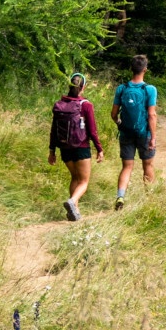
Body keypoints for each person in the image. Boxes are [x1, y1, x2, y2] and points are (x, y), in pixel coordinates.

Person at [50, 73, 102, 220]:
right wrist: (99, 149)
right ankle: (72, 201)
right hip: (81, 147)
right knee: (84, 181)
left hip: (64, 148)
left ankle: (74, 212)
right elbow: (92, 130)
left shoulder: (60, 104)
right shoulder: (85, 105)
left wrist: (52, 150)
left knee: (74, 177)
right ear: (83, 87)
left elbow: (53, 129)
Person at [112, 55, 159, 209]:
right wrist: (153, 137)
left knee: (127, 167)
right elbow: (151, 115)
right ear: (145, 69)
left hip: (126, 133)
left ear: (131, 69)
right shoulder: (150, 90)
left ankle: (120, 197)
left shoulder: (122, 88)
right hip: (143, 133)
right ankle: (150, 199)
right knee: (148, 165)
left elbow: (113, 114)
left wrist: (120, 123)